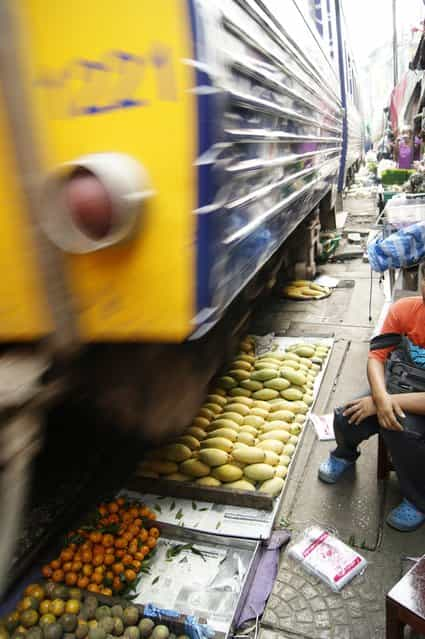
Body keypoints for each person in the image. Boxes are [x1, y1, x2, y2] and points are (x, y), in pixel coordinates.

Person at [318, 264, 425, 532]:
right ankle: (344, 454)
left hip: (415, 405)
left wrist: (384, 403)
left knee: (399, 430)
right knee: (345, 417)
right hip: (395, 389)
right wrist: (379, 395)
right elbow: (377, 357)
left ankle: (417, 500)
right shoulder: (404, 310)